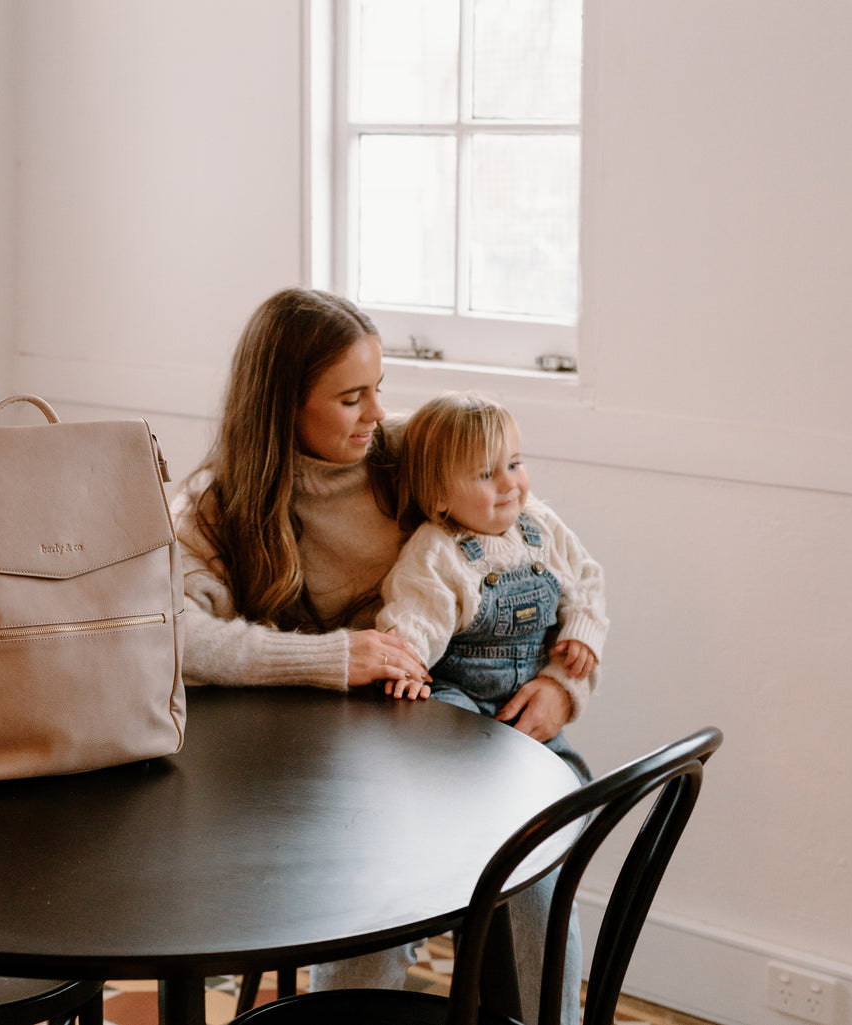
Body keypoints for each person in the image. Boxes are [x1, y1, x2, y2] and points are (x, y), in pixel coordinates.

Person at [170, 288, 590, 1025]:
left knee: (531, 862)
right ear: (284, 405)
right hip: (302, 774)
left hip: (443, 737)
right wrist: (332, 659)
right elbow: (178, 639)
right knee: (373, 887)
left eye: (378, 388)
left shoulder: (410, 454)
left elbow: (537, 547)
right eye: (350, 398)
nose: (377, 413)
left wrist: (561, 682)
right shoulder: (214, 504)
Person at [375, 391, 607, 785]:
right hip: (460, 695)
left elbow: (585, 578)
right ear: (440, 496)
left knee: (570, 780)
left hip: (526, 699)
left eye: (514, 464)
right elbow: (416, 614)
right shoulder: (437, 549)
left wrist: (582, 631)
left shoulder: (543, 527)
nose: (509, 483)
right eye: (487, 474)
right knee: (455, 750)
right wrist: (407, 665)